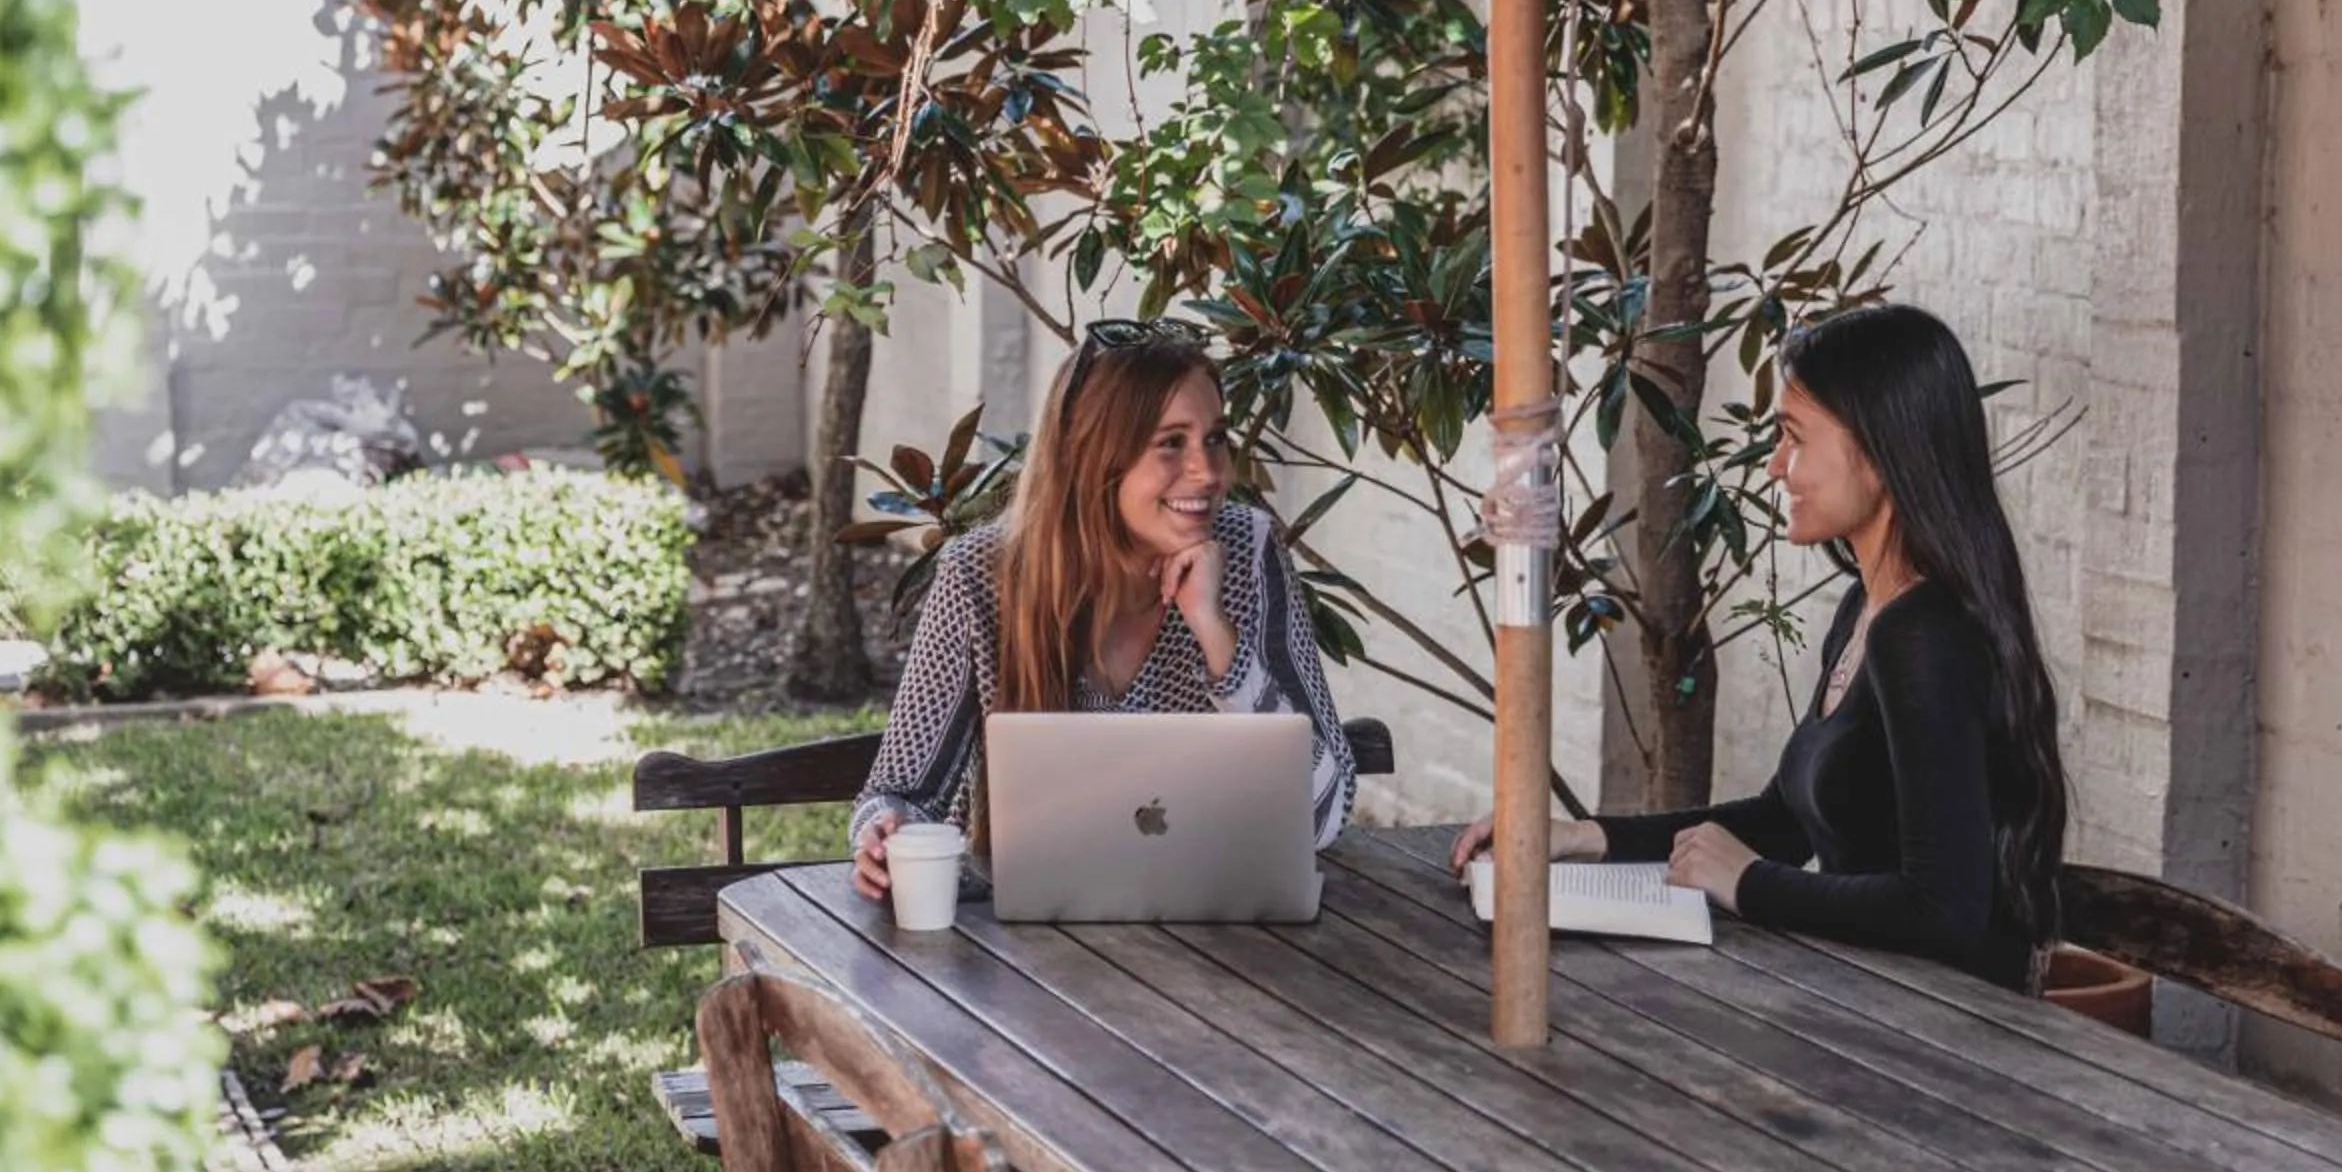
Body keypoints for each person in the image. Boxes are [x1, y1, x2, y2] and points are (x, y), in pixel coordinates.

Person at [1451, 303, 2068, 990]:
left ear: (1881, 453)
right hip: (1871, 997)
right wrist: (1583, 837)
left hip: (1949, 1033)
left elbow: (1943, 911)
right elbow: (1784, 821)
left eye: (1794, 439)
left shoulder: (1924, 636)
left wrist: (1748, 884)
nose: (1775, 467)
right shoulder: (1869, 608)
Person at [851, 320, 1357, 899]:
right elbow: (900, 792)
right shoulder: (982, 574)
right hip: (1019, 954)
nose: (1209, 472)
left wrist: (1216, 635)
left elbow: (1324, 812)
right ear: (1092, 459)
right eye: (1171, 443)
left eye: (1215, 438)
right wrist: (882, 837)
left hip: (1216, 945)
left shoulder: (1245, 550)